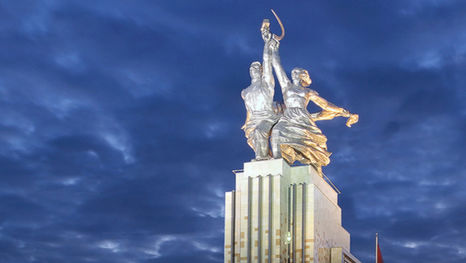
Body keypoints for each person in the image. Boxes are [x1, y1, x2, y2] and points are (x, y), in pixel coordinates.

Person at [269, 40, 358, 175]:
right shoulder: (287, 86)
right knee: (276, 134)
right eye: (292, 73)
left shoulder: (308, 92)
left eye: (296, 73)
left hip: (303, 119)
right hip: (288, 117)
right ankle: (277, 169)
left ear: (302, 76)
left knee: (310, 145)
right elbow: (277, 66)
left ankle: (316, 168)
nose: (293, 74)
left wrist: (342, 111)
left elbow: (325, 105)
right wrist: (273, 49)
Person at [241, 20, 281, 161]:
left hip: (268, 117)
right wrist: (246, 122)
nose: (254, 70)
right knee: (254, 139)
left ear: (261, 70)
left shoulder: (266, 83)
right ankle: (267, 158)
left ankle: (261, 160)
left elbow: (266, 60)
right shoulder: (245, 91)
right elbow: (248, 110)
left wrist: (266, 43)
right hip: (253, 120)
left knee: (260, 132)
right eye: (252, 68)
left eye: (257, 68)